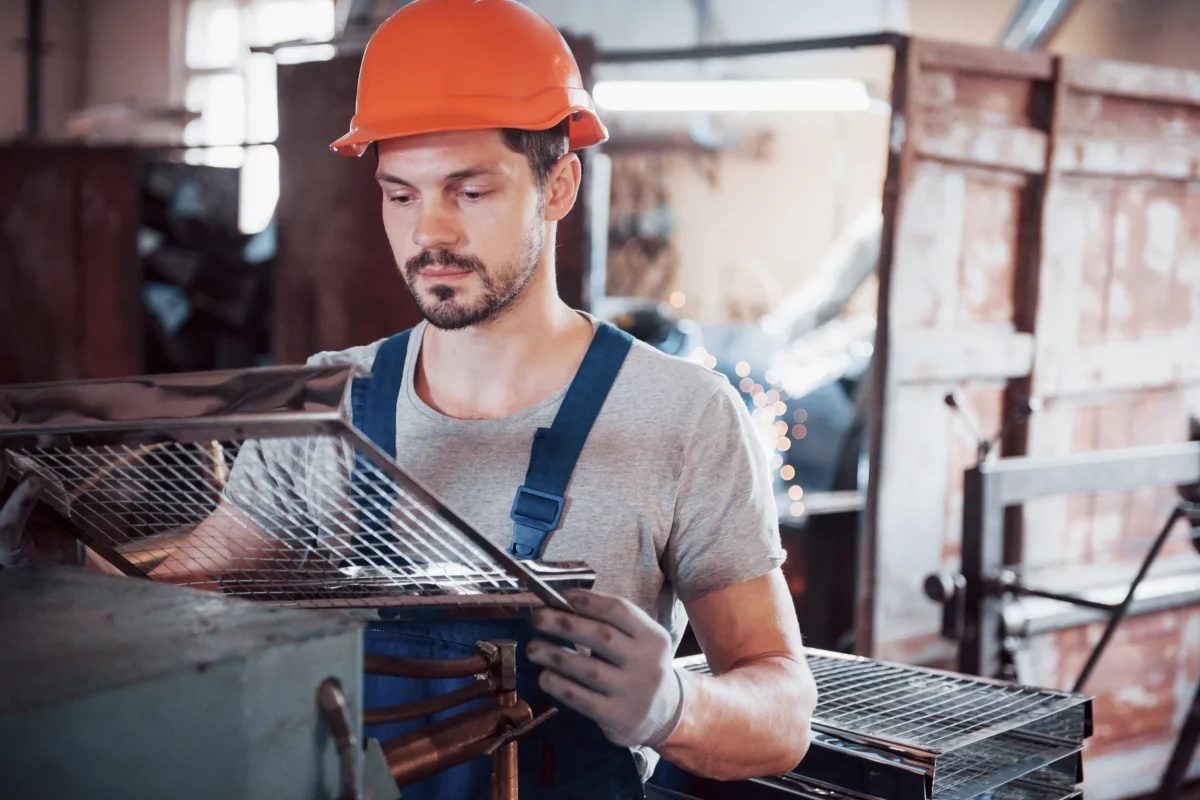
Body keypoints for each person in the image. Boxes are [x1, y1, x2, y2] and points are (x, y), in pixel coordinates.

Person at [0, 1, 816, 797]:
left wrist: (676, 707)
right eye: (401, 194)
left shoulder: (684, 415)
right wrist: (57, 570)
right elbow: (187, 598)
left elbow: (782, 712)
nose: (430, 233)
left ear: (558, 184)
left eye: (470, 191)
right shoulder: (329, 402)